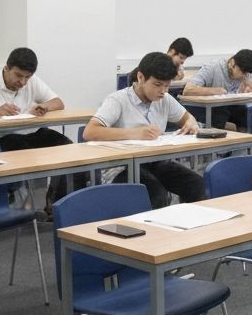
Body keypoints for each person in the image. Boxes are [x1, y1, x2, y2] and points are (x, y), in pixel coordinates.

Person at [85, 51, 204, 209]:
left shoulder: (165, 99)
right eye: (157, 84)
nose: (163, 91)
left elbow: (188, 118)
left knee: (197, 185)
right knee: (155, 195)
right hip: (122, 167)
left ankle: (193, 228)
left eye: (167, 85)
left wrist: (191, 123)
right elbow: (90, 132)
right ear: (140, 77)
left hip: (155, 162)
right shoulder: (118, 100)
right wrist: (134, 133)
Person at [185, 48, 252, 130]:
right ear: (232, 63)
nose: (244, 76)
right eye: (243, 72)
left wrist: (250, 89)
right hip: (208, 109)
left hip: (228, 108)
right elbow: (188, 90)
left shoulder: (245, 73)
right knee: (225, 118)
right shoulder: (212, 67)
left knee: (247, 113)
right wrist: (214, 91)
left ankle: (247, 139)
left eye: (247, 73)